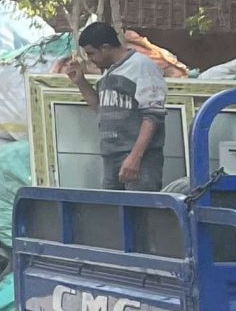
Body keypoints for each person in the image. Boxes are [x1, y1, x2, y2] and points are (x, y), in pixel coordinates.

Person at [67, 21, 170, 191]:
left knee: (138, 206)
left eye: (91, 53)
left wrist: (135, 158)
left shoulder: (142, 67)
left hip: (139, 159)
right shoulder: (109, 72)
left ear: (106, 48)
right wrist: (80, 82)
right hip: (111, 156)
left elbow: (152, 116)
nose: (90, 59)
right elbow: (100, 107)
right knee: (111, 207)